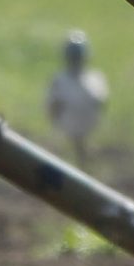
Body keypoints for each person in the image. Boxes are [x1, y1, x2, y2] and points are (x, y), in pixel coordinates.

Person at [45, 29, 109, 166]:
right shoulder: (59, 81)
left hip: (88, 131)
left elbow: (101, 104)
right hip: (65, 132)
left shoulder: (95, 79)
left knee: (84, 160)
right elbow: (52, 108)